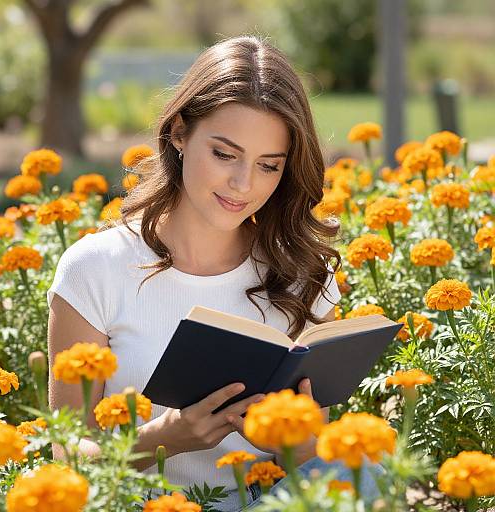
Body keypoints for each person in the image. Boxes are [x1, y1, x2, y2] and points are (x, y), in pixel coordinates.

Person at [47, 35, 377, 511]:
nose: (243, 185)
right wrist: (166, 437)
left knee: (368, 473)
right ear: (179, 132)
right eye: (225, 154)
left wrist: (289, 440)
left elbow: (316, 463)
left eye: (268, 166)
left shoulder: (302, 274)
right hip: (144, 505)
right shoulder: (95, 270)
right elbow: (69, 460)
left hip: (270, 502)